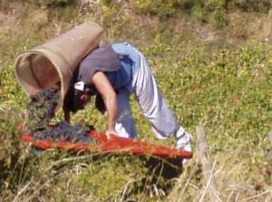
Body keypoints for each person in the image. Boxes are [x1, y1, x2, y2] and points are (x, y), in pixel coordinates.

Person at [63, 41, 192, 152]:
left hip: (132, 64)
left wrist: (111, 128)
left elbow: (110, 96)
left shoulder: (90, 74)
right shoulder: (75, 83)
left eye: (83, 106)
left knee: (153, 111)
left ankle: (183, 138)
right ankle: (131, 152)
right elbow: (66, 105)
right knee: (122, 125)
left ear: (83, 98)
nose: (87, 105)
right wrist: (66, 127)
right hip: (117, 79)